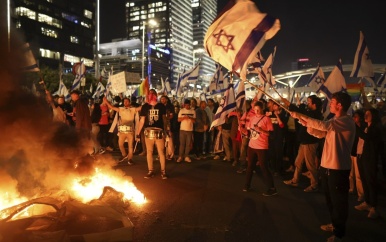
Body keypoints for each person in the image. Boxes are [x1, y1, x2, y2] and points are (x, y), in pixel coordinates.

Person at [290, 91, 355, 242]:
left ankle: (339, 233)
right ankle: (334, 224)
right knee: (330, 199)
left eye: (332, 102)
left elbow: (323, 125)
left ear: (339, 105)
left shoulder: (346, 121)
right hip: (326, 166)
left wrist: (301, 115)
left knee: (339, 201)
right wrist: (306, 124)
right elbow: (321, 133)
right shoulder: (335, 121)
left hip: (338, 168)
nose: (330, 104)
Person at [282, 95, 323, 192]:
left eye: (309, 102)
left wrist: (289, 104)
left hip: (310, 143)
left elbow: (302, 113)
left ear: (314, 104)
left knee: (310, 165)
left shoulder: (315, 115)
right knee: (298, 162)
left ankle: (314, 184)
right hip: (304, 142)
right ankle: (295, 180)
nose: (307, 104)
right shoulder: (310, 113)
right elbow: (301, 113)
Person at [241, 101, 277, 196]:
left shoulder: (266, 119)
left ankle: (272, 188)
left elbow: (272, 134)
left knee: (263, 167)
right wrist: (244, 130)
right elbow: (249, 131)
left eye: (258, 109)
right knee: (250, 166)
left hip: (262, 146)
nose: (256, 111)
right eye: (255, 109)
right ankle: (246, 185)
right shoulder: (252, 118)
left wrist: (261, 130)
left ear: (262, 109)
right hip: (252, 145)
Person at [355, 108, 382, 219]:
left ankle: (374, 207)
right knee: (364, 180)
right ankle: (367, 202)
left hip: (369, 158)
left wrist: (355, 126)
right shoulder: (365, 127)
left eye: (368, 114)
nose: (365, 116)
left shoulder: (375, 128)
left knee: (370, 181)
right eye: (365, 114)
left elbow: (366, 137)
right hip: (361, 157)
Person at [136, 89, 168, 179]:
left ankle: (163, 171)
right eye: (149, 94)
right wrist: (138, 133)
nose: (150, 95)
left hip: (159, 131)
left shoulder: (161, 106)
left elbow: (164, 119)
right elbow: (142, 120)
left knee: (161, 152)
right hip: (148, 131)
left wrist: (167, 131)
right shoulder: (145, 106)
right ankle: (150, 171)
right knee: (149, 152)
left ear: (155, 95)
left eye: (152, 94)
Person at [105, 96, 141, 165]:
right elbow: (112, 107)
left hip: (130, 130)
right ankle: (124, 154)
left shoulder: (133, 109)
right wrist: (106, 102)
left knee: (130, 146)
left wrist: (148, 101)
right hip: (122, 131)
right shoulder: (120, 109)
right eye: (124, 101)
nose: (125, 102)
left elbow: (140, 108)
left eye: (127, 101)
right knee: (120, 144)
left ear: (129, 102)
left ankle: (130, 159)